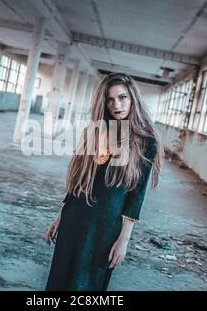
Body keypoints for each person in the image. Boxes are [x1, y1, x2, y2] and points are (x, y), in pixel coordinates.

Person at [44, 73, 163, 291]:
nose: (116, 105)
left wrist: (124, 240)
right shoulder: (96, 132)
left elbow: (136, 196)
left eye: (122, 97)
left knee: (88, 285)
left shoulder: (146, 142)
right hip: (75, 217)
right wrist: (60, 216)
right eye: (110, 100)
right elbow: (80, 179)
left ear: (133, 98)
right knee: (59, 281)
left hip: (106, 226)